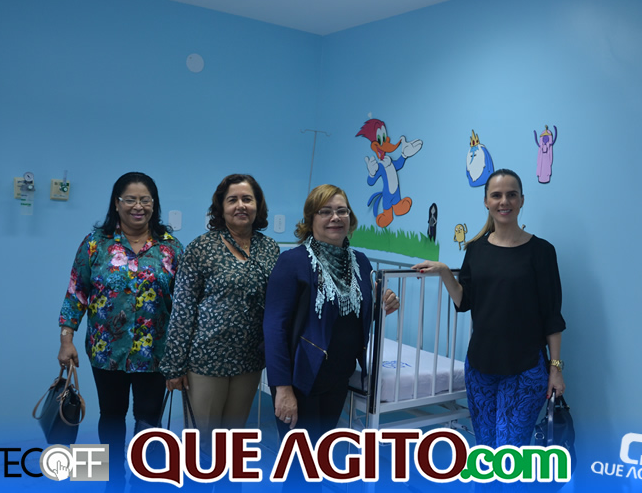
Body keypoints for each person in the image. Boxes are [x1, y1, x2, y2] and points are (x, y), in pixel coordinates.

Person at [412, 168, 566, 447]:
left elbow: (552, 316)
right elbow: (464, 302)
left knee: (509, 452)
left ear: (521, 200)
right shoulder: (475, 249)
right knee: (484, 448)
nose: (504, 201)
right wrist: (445, 271)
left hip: (525, 369)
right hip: (480, 367)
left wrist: (555, 368)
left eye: (511, 195)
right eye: (496, 195)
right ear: (486, 201)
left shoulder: (542, 251)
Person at [57, 171, 183, 484]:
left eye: (145, 200)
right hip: (106, 351)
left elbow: (183, 305)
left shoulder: (171, 248)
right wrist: (66, 339)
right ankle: (110, 481)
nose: (138, 206)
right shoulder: (94, 245)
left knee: (148, 420)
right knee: (111, 416)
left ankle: (145, 481)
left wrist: (182, 356)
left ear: (154, 204)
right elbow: (76, 293)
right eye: (130, 199)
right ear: (117, 203)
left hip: (155, 352)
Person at [263, 184, 400, 445]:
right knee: (299, 458)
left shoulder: (360, 262)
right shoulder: (293, 262)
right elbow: (274, 328)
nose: (335, 218)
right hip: (301, 378)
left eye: (341, 211)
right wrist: (282, 388)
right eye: (325, 212)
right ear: (310, 219)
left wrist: (383, 305)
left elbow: (353, 315)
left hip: (339, 376)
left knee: (321, 451)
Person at [159, 174, 279, 450]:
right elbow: (183, 309)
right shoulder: (201, 248)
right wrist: (175, 366)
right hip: (206, 361)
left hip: (249, 359)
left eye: (247, 199)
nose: (241, 205)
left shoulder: (270, 249)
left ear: (257, 206)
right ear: (221, 207)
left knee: (234, 439)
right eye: (232, 200)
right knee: (203, 442)